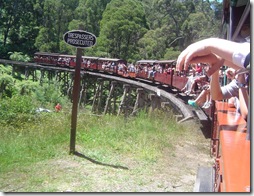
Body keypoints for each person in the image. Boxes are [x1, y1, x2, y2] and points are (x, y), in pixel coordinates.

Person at [176, 37, 250, 119]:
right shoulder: (243, 78)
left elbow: (247, 115)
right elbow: (217, 95)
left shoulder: (242, 79)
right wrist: (215, 67)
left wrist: (209, 44)